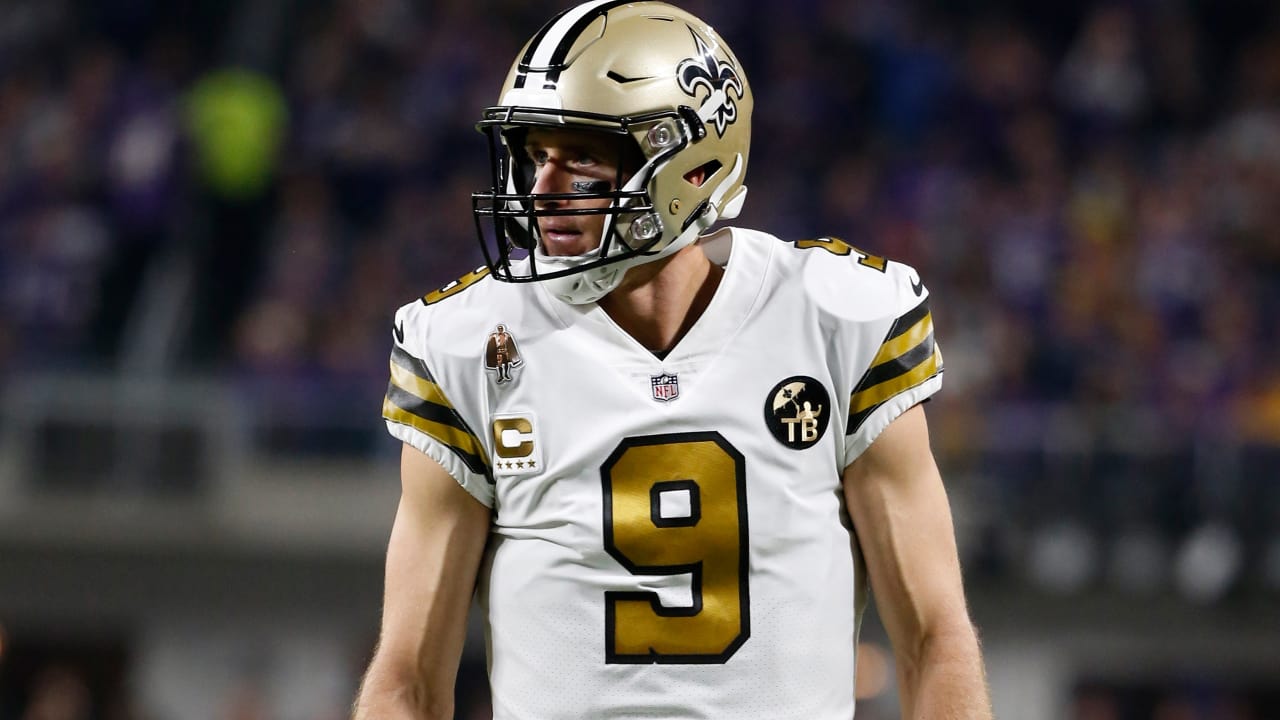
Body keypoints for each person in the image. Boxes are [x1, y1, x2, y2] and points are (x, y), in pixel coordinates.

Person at [353, 1, 992, 718]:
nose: (541, 189)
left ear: (690, 163)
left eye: (583, 158)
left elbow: (934, 637)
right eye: (536, 156)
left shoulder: (835, 320)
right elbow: (407, 676)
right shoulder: (467, 342)